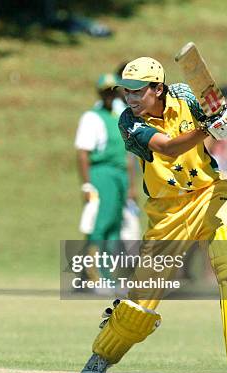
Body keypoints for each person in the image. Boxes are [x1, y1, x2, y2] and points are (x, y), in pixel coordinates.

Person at [79, 57, 227, 373]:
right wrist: (208, 128)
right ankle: (103, 353)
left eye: (137, 91)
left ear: (157, 88)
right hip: (168, 211)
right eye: (126, 91)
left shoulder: (184, 96)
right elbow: (170, 147)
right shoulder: (128, 123)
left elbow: (216, 114)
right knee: (140, 304)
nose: (129, 98)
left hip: (210, 192)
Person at [75, 74, 129, 288]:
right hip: (101, 173)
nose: (110, 95)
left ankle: (109, 276)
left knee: (115, 226)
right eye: (106, 91)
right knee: (99, 224)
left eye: (113, 91)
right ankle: (93, 276)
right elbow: (82, 153)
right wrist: (87, 183)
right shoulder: (92, 117)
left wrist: (131, 184)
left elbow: (127, 155)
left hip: (119, 176)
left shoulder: (119, 116)